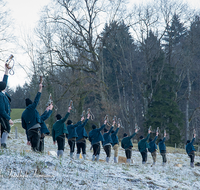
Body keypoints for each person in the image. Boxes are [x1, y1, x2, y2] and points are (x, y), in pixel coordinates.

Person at [21, 82, 43, 151]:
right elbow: (36, 100)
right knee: (37, 147)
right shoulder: (32, 107)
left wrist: (28, 138)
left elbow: (24, 126)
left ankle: (34, 157)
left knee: (33, 147)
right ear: (30, 104)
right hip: (36, 129)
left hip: (29, 131)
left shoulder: (23, 113)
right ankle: (37, 159)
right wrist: (40, 89)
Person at [0, 64, 14, 148]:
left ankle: (2, 144)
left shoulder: (3, 93)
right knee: (6, 128)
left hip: (4, 116)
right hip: (2, 116)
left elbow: (4, 81)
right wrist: (8, 118)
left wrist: (6, 70)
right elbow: (1, 110)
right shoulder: (1, 95)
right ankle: (3, 144)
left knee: (4, 129)